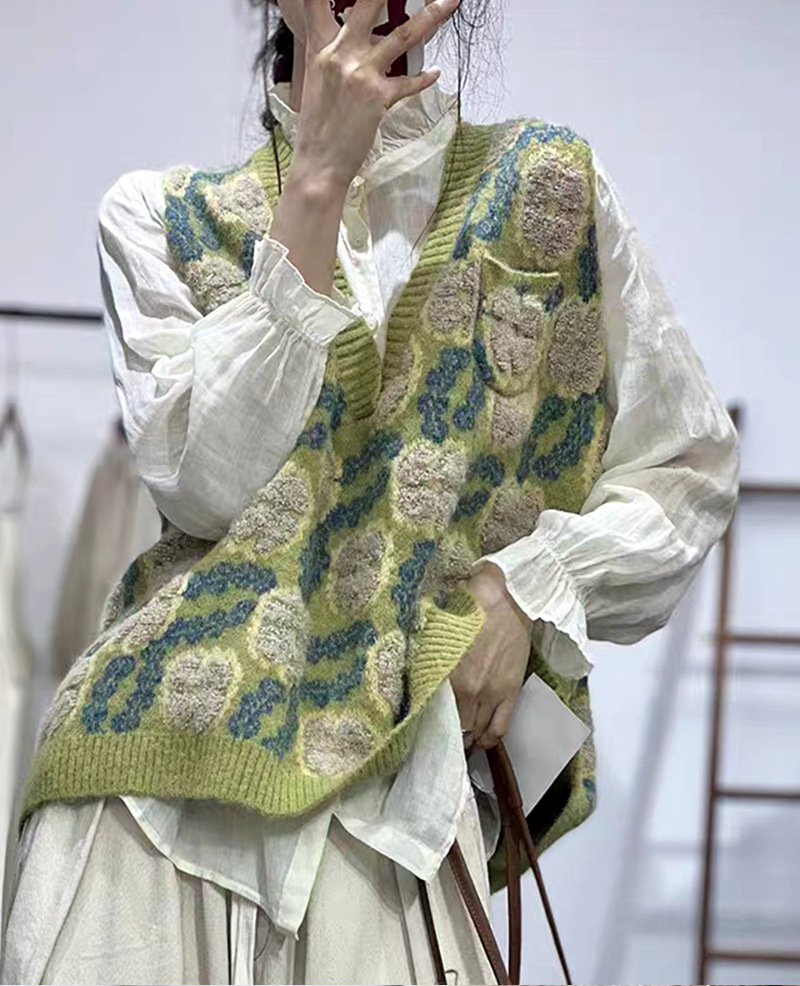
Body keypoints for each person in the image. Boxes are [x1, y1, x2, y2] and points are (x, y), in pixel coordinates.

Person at [1, 0, 739, 983]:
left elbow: (688, 471)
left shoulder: (549, 188)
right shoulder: (163, 217)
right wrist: (316, 176)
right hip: (151, 805)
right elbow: (211, 488)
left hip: (401, 798)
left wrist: (523, 587)